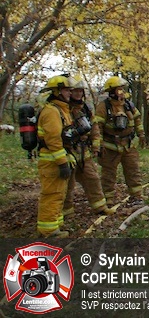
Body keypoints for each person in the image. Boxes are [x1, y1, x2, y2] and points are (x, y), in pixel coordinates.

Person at [64, 78, 114, 217]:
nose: (78, 94)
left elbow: (94, 127)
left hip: (83, 151)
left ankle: (100, 207)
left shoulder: (85, 109)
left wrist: (96, 146)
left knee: (92, 179)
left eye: (80, 91)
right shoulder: (64, 109)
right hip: (68, 152)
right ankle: (66, 211)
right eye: (75, 91)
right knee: (68, 184)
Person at [94, 76, 146, 205]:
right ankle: (108, 198)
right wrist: (99, 144)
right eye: (119, 89)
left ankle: (136, 196)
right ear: (112, 91)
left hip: (128, 145)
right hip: (110, 147)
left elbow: (137, 120)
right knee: (108, 174)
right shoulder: (103, 107)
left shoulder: (128, 105)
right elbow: (97, 127)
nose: (122, 92)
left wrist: (141, 134)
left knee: (133, 170)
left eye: (123, 89)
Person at [35, 75, 75, 237]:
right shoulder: (52, 111)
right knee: (52, 194)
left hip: (56, 159)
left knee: (59, 194)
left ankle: (55, 225)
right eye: (66, 90)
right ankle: (48, 230)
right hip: (52, 161)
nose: (70, 93)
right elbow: (53, 140)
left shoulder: (61, 109)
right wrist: (62, 162)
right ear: (56, 92)